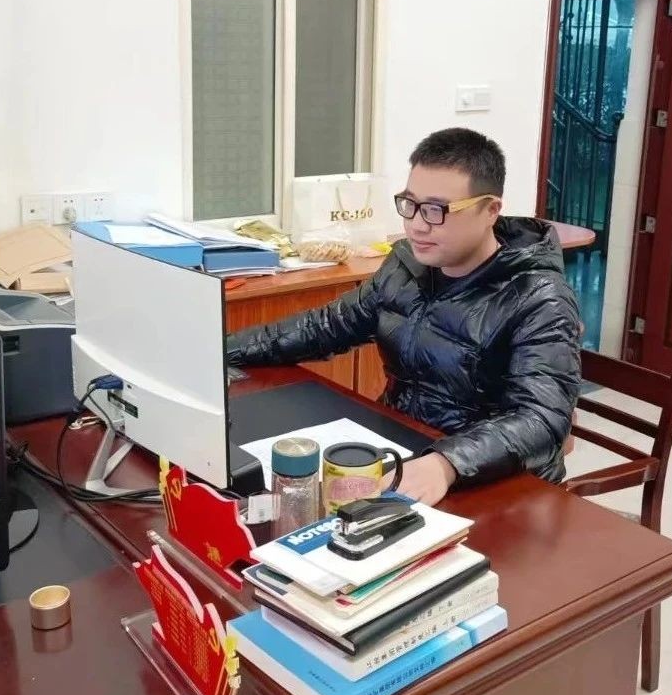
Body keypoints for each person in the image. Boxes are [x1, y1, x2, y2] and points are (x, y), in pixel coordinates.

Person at [227, 127, 581, 505]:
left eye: (436, 210)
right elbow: (326, 326)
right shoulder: (406, 264)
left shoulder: (539, 298)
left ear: (490, 210)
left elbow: (541, 418)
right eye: (410, 204)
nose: (417, 224)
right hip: (403, 446)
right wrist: (223, 349)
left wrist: (448, 463)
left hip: (495, 480)